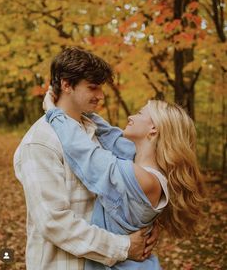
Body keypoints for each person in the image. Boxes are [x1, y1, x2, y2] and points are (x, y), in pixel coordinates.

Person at [13, 47, 158, 270]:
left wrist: (145, 223)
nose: (100, 95)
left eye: (101, 87)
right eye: (92, 87)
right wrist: (124, 246)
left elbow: (122, 190)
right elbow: (54, 222)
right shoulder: (41, 142)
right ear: (66, 85)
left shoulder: (94, 133)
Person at [43, 93, 205, 269]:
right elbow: (109, 135)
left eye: (140, 113)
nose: (131, 116)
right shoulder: (136, 160)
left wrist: (54, 112)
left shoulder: (144, 179)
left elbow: (87, 156)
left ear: (153, 129)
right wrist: (76, 104)